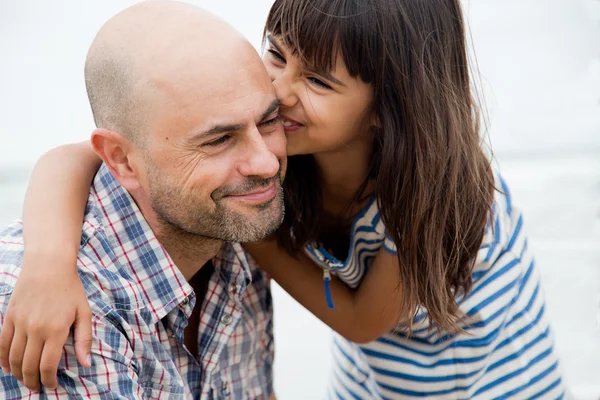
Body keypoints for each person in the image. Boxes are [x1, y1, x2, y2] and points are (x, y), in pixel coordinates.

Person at [1, 0, 565, 398]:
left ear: (386, 109)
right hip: (373, 380)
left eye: (318, 82)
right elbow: (77, 156)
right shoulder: (281, 145)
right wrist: (49, 266)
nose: (280, 88)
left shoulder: (432, 190)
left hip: (486, 382)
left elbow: (365, 319)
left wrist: (248, 231)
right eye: (277, 53)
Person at [0, 1, 286, 398]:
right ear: (122, 160)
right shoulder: (71, 314)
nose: (267, 163)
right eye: (219, 140)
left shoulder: (237, 235)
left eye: (270, 121)